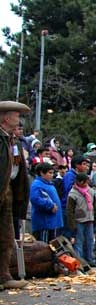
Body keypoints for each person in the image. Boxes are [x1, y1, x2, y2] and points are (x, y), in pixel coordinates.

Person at [0, 101, 30, 290]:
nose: (19, 120)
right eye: (16, 115)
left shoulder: (14, 141)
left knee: (6, 235)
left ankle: (3, 276)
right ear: (5, 118)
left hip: (8, 190)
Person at [67, 173, 96, 265]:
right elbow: (70, 211)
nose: (85, 184)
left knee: (90, 241)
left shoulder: (91, 191)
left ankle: (90, 259)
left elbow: (95, 206)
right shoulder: (72, 194)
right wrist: (72, 225)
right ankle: (80, 261)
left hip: (90, 219)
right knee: (79, 242)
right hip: (78, 221)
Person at [30, 162, 63, 243]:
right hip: (44, 223)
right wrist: (50, 206)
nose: (52, 175)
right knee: (44, 246)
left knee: (53, 246)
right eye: (49, 173)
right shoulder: (37, 185)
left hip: (53, 222)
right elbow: (35, 199)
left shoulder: (49, 184)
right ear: (41, 173)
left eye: (52, 173)